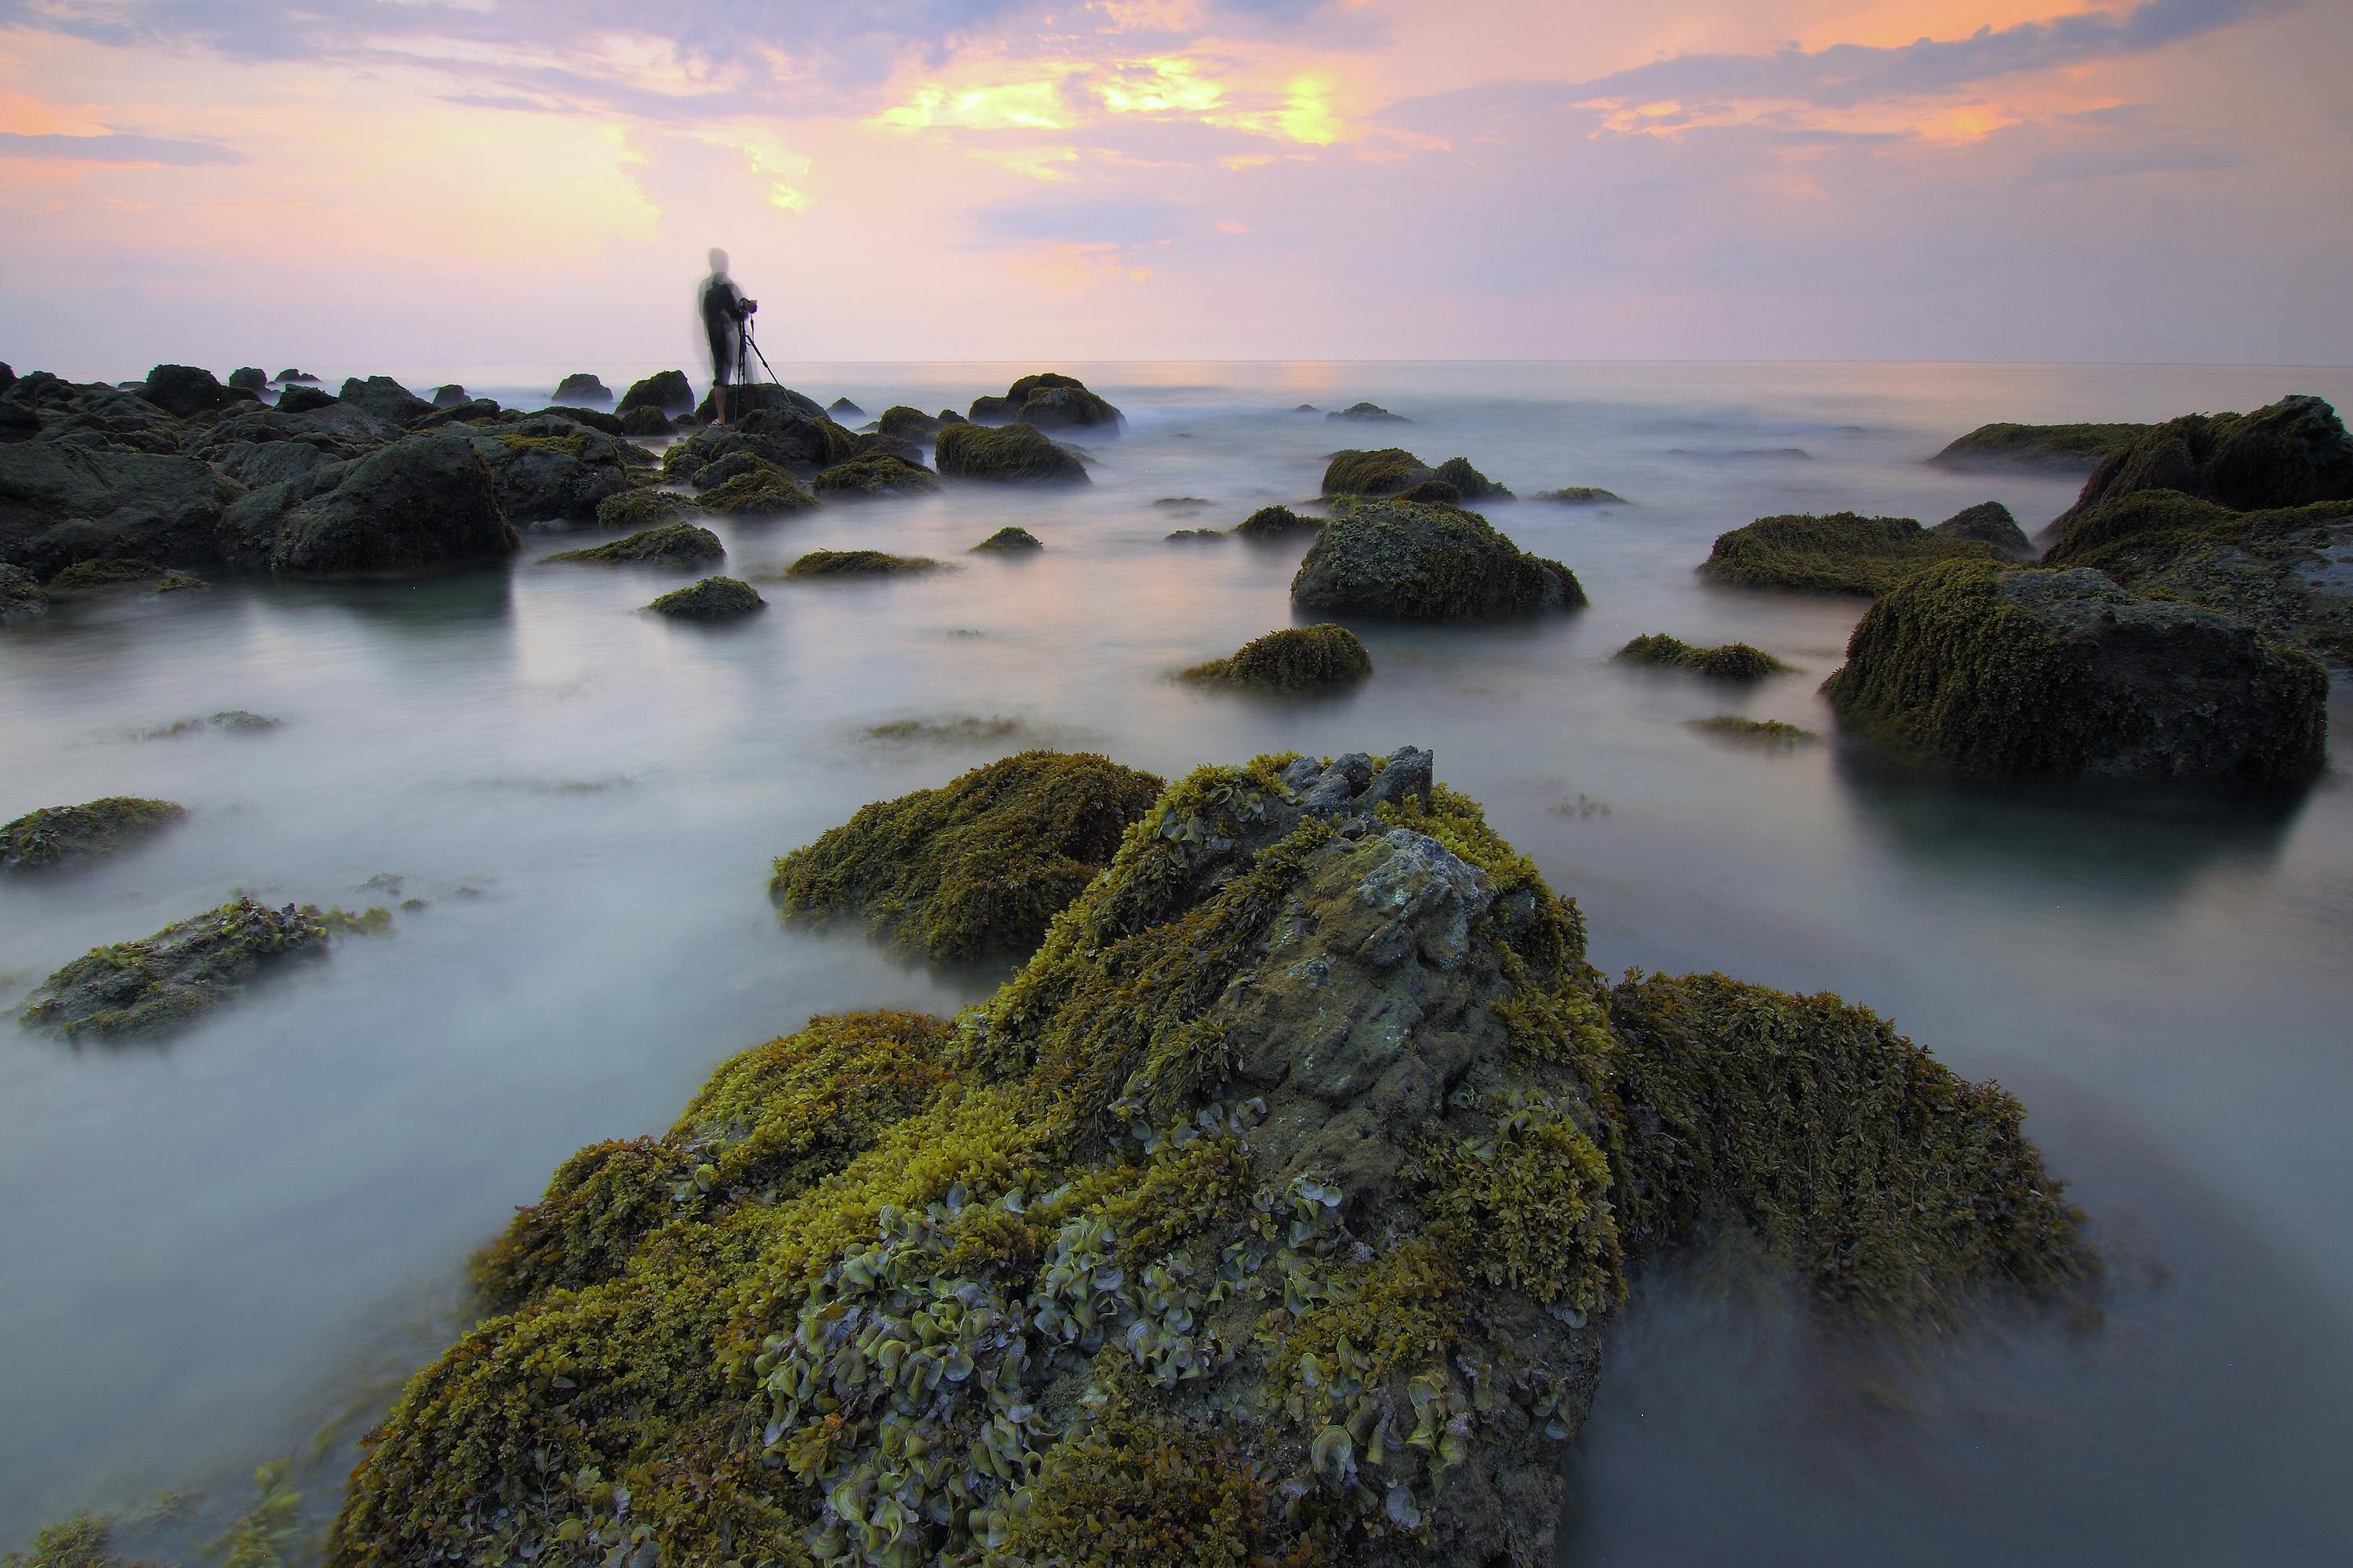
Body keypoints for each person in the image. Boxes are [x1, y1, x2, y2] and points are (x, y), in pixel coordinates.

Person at [697, 248, 757, 424]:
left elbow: (733, 309)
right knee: (725, 376)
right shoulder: (720, 287)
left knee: (732, 374)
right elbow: (735, 312)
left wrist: (743, 308)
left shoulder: (714, 286)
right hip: (722, 336)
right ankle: (727, 416)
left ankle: (728, 416)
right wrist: (746, 309)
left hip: (723, 336)